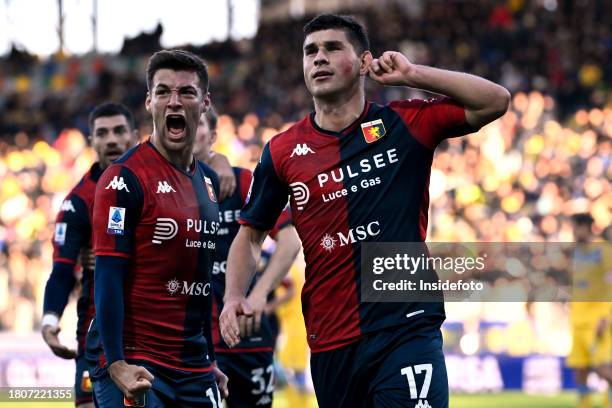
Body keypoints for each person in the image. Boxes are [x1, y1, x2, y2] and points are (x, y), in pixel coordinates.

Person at [220, 13, 510, 407]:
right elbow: (251, 233)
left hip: (405, 325)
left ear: (363, 63)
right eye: (310, 52)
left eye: (332, 47)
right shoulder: (282, 151)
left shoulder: (404, 124)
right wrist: (234, 294)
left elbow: (495, 100)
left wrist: (412, 73)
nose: (318, 58)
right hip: (331, 338)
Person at [88, 49, 227, 407]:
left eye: (187, 92)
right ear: (149, 102)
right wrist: (116, 362)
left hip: (194, 365)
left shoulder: (210, 182)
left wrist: (209, 358)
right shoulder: (123, 178)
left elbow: (202, 282)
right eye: (164, 92)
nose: (174, 101)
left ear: (205, 103)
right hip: (138, 359)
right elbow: (107, 275)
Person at [194, 107, 301, 407]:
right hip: (190, 344)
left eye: (199, 122)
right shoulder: (161, 188)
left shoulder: (242, 182)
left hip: (247, 337)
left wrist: (258, 296)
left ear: (213, 136)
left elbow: (290, 241)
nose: (191, 127)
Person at [41, 102, 138, 408]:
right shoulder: (78, 200)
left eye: (119, 130)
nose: (111, 139)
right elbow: (62, 269)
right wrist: (49, 318)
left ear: (134, 136)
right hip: (95, 333)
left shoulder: (158, 182)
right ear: (92, 141)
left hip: (153, 328)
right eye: (102, 133)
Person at [568, 213, 611, 408]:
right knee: (580, 368)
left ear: (586, 227)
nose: (573, 232)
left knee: (602, 367)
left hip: (598, 319)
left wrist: (606, 316)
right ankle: (585, 405)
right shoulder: (577, 253)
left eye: (576, 228)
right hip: (578, 319)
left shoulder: (603, 250)